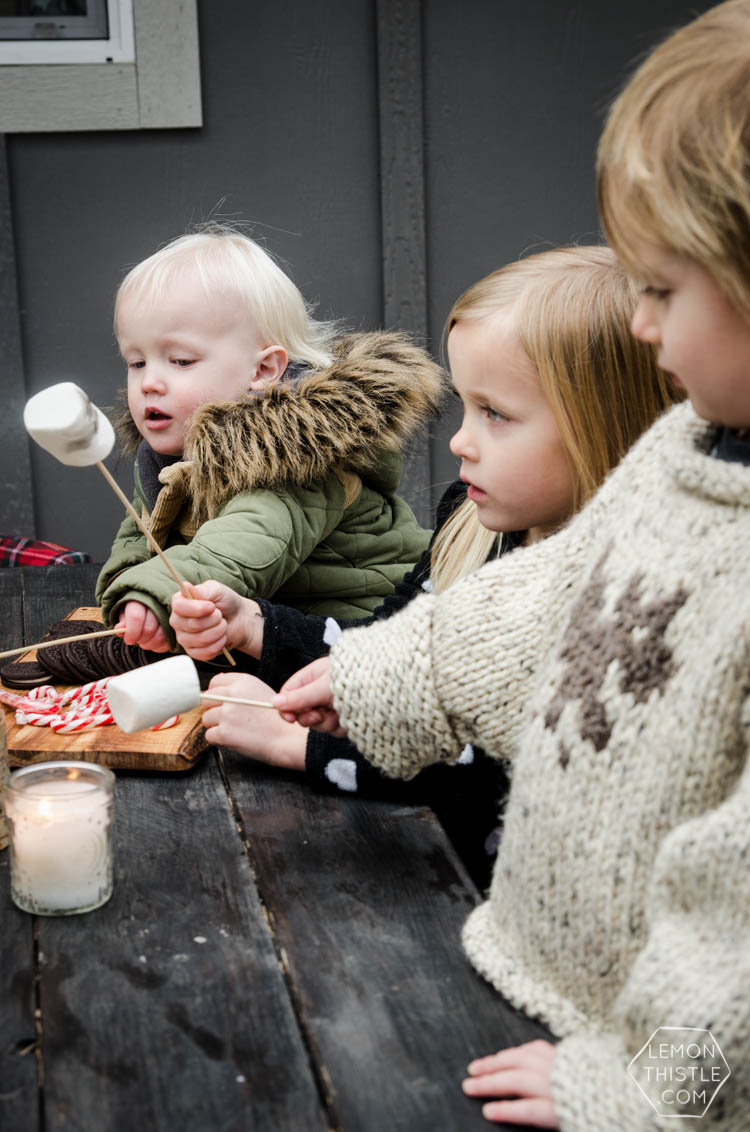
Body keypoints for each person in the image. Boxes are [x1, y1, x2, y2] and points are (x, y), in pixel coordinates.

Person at [272, 2, 750, 1126]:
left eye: (665, 288)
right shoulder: (690, 448)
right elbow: (565, 594)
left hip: (660, 1067)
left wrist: (650, 1088)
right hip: (546, 981)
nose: (640, 323)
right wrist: (399, 673)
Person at [169, 243, 677, 890]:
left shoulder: (626, 593)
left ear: (599, 426)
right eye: (466, 406)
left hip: (493, 898)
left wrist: (299, 745)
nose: (461, 441)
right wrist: (257, 626)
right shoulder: (469, 522)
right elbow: (382, 651)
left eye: (496, 414)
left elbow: (495, 774)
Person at [95, 224, 444, 653]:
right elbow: (142, 531)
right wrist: (126, 587)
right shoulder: (170, 454)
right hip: (264, 622)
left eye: (181, 360)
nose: (150, 382)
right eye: (136, 362)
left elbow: (242, 544)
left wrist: (158, 594)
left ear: (262, 371)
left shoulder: (299, 455)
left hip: (357, 632)